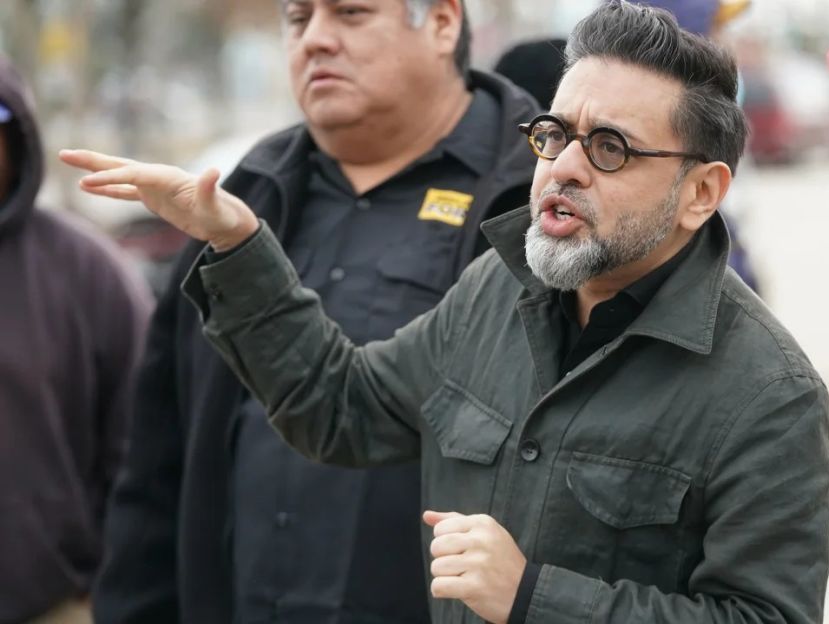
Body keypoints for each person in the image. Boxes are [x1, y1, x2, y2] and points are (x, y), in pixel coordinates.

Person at [63, 2, 829, 623]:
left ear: (700, 193)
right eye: (555, 134)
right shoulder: (494, 292)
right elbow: (340, 409)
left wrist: (534, 599)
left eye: (609, 149)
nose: (562, 166)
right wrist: (236, 241)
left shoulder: (766, 392)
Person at [88, 0, 538, 622]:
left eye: (351, 13)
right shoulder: (239, 197)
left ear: (441, 23)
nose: (316, 40)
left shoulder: (535, 203)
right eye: (298, 19)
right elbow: (159, 463)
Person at [0, 57, 152, 624]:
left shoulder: (87, 271)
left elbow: (143, 446)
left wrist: (109, 581)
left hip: (57, 604)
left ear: (18, 139)